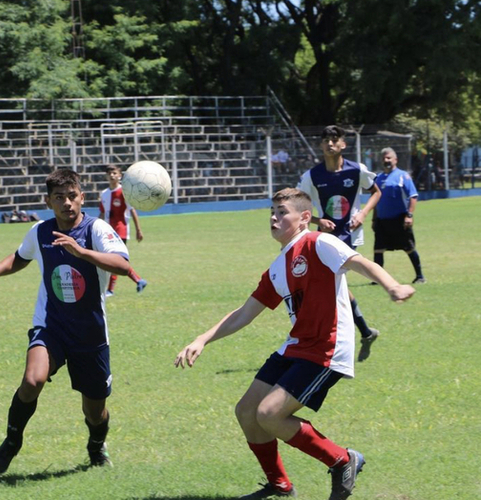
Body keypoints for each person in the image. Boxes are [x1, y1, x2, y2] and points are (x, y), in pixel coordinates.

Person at [174, 188, 415, 500]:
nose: (274, 217)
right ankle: (280, 485)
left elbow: (360, 263)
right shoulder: (278, 267)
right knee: (247, 411)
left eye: (282, 211)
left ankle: (342, 460)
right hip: (296, 346)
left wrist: (393, 286)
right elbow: (245, 312)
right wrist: (202, 338)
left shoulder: (319, 242)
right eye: (271, 212)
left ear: (304, 218)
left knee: (269, 414)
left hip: (326, 349)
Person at [0, 168, 131, 473]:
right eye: (59, 198)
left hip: (90, 333)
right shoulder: (41, 232)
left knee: (95, 412)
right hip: (51, 326)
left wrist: (81, 251)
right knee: (32, 380)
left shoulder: (96, 230)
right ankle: (11, 442)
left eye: (72, 196)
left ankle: (96, 446)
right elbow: (20, 257)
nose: (67, 203)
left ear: (82, 197)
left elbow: (122, 265)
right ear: (49, 201)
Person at [297, 125, 382, 362]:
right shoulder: (312, 176)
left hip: (349, 235)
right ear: (321, 145)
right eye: (326, 140)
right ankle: (363, 332)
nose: (330, 144)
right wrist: (317, 219)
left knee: (331, 286)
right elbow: (296, 206)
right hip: (325, 238)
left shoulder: (357, 170)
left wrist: (363, 213)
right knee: (335, 287)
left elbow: (376, 191)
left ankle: (329, 343)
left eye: (335, 140)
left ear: (343, 144)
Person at [372, 147, 425, 284]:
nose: (386, 160)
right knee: (378, 250)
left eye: (389, 157)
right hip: (382, 221)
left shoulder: (403, 176)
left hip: (399, 220)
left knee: (409, 247)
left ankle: (420, 276)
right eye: (384, 158)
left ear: (395, 160)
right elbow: (376, 199)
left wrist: (409, 215)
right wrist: (374, 219)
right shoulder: (378, 178)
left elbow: (413, 196)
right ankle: (378, 280)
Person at [98, 164, 147, 296]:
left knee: (115, 260)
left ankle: (110, 290)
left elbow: (132, 211)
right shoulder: (104, 194)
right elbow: (102, 214)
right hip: (108, 231)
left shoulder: (124, 192)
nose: (112, 175)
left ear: (120, 176)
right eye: (109, 173)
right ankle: (138, 280)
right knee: (114, 261)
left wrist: (138, 230)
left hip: (121, 230)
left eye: (114, 173)